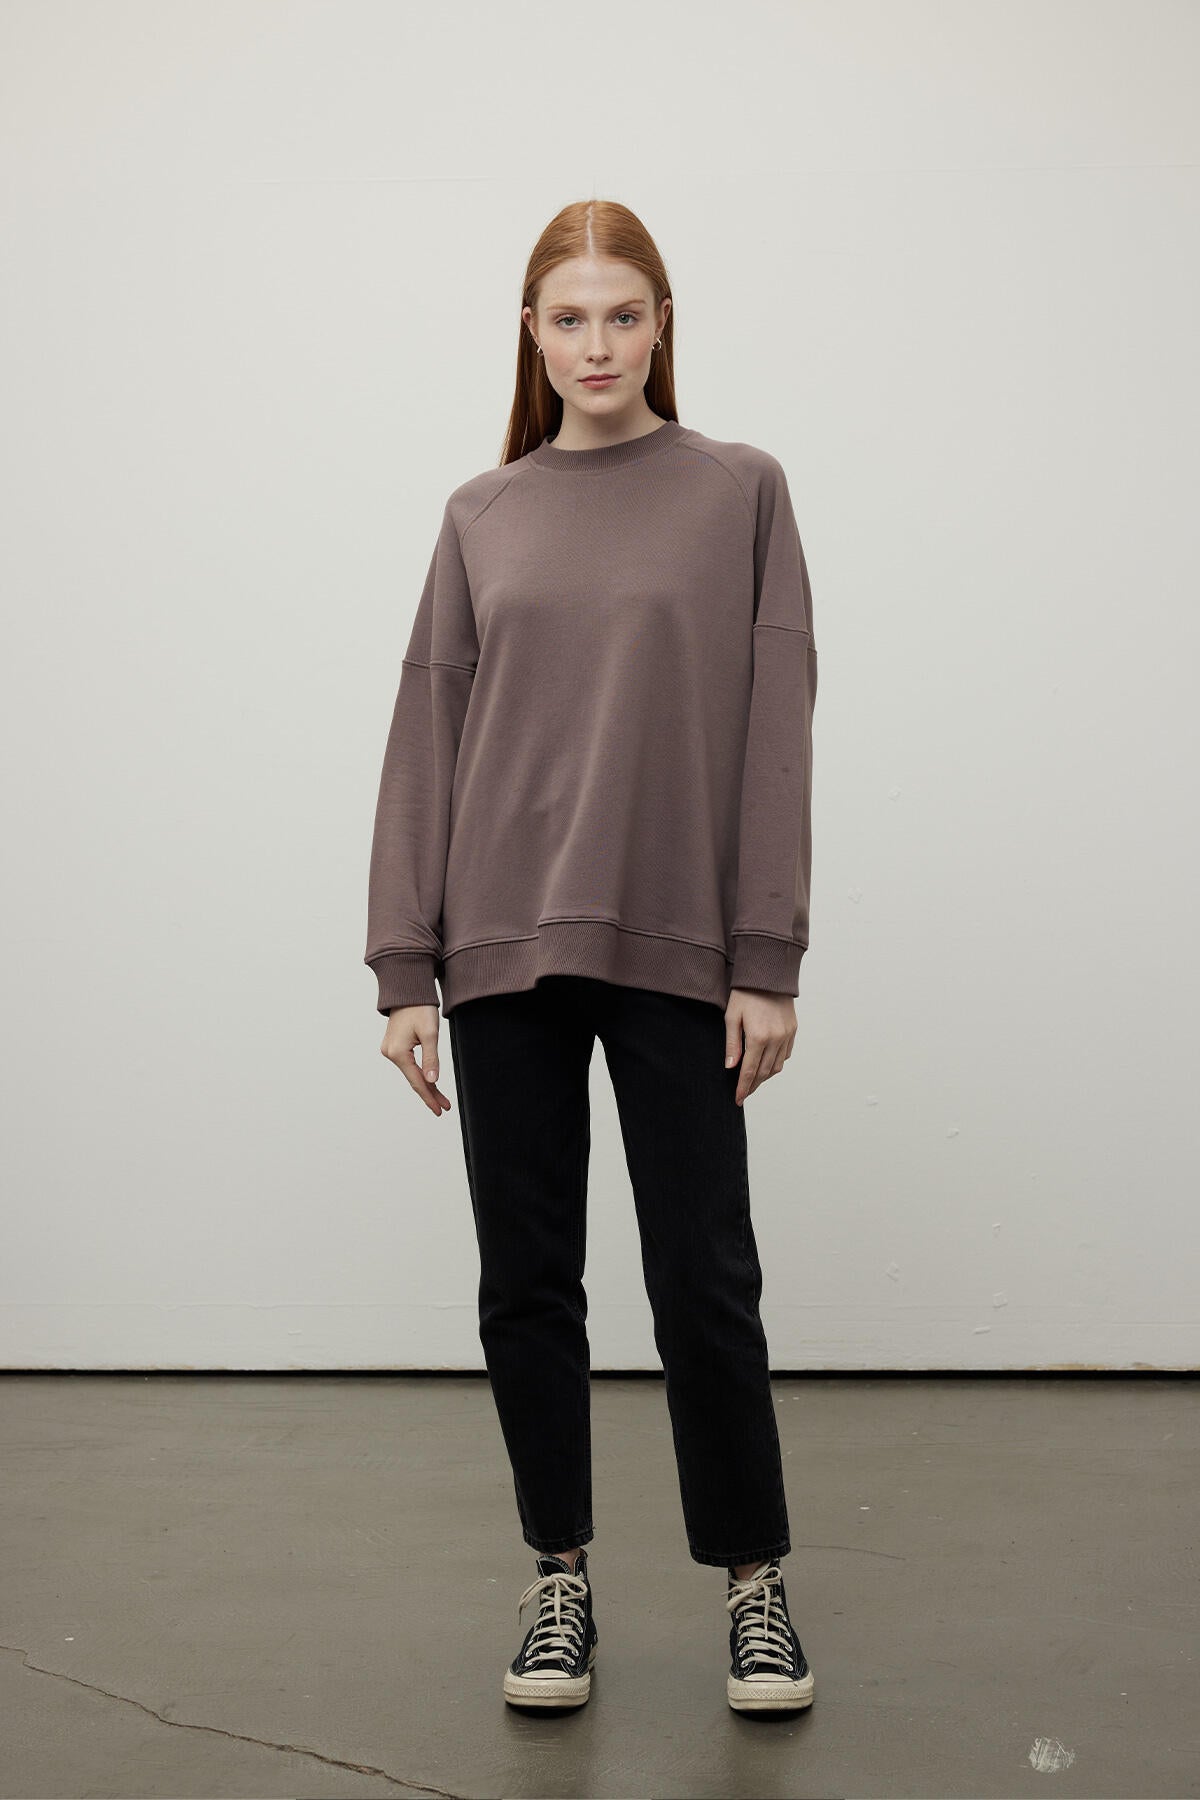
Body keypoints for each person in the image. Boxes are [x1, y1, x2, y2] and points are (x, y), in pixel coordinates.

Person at [364, 199, 817, 1717]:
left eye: (625, 315)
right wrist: (402, 968)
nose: (599, 344)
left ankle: (754, 1583)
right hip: (499, 943)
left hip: (680, 938)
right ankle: (557, 1576)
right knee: (526, 1280)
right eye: (571, 318)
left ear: (661, 325)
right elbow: (429, 731)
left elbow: (777, 729)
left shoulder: (739, 491)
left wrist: (768, 954)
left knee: (704, 1274)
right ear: (533, 333)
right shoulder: (481, 513)